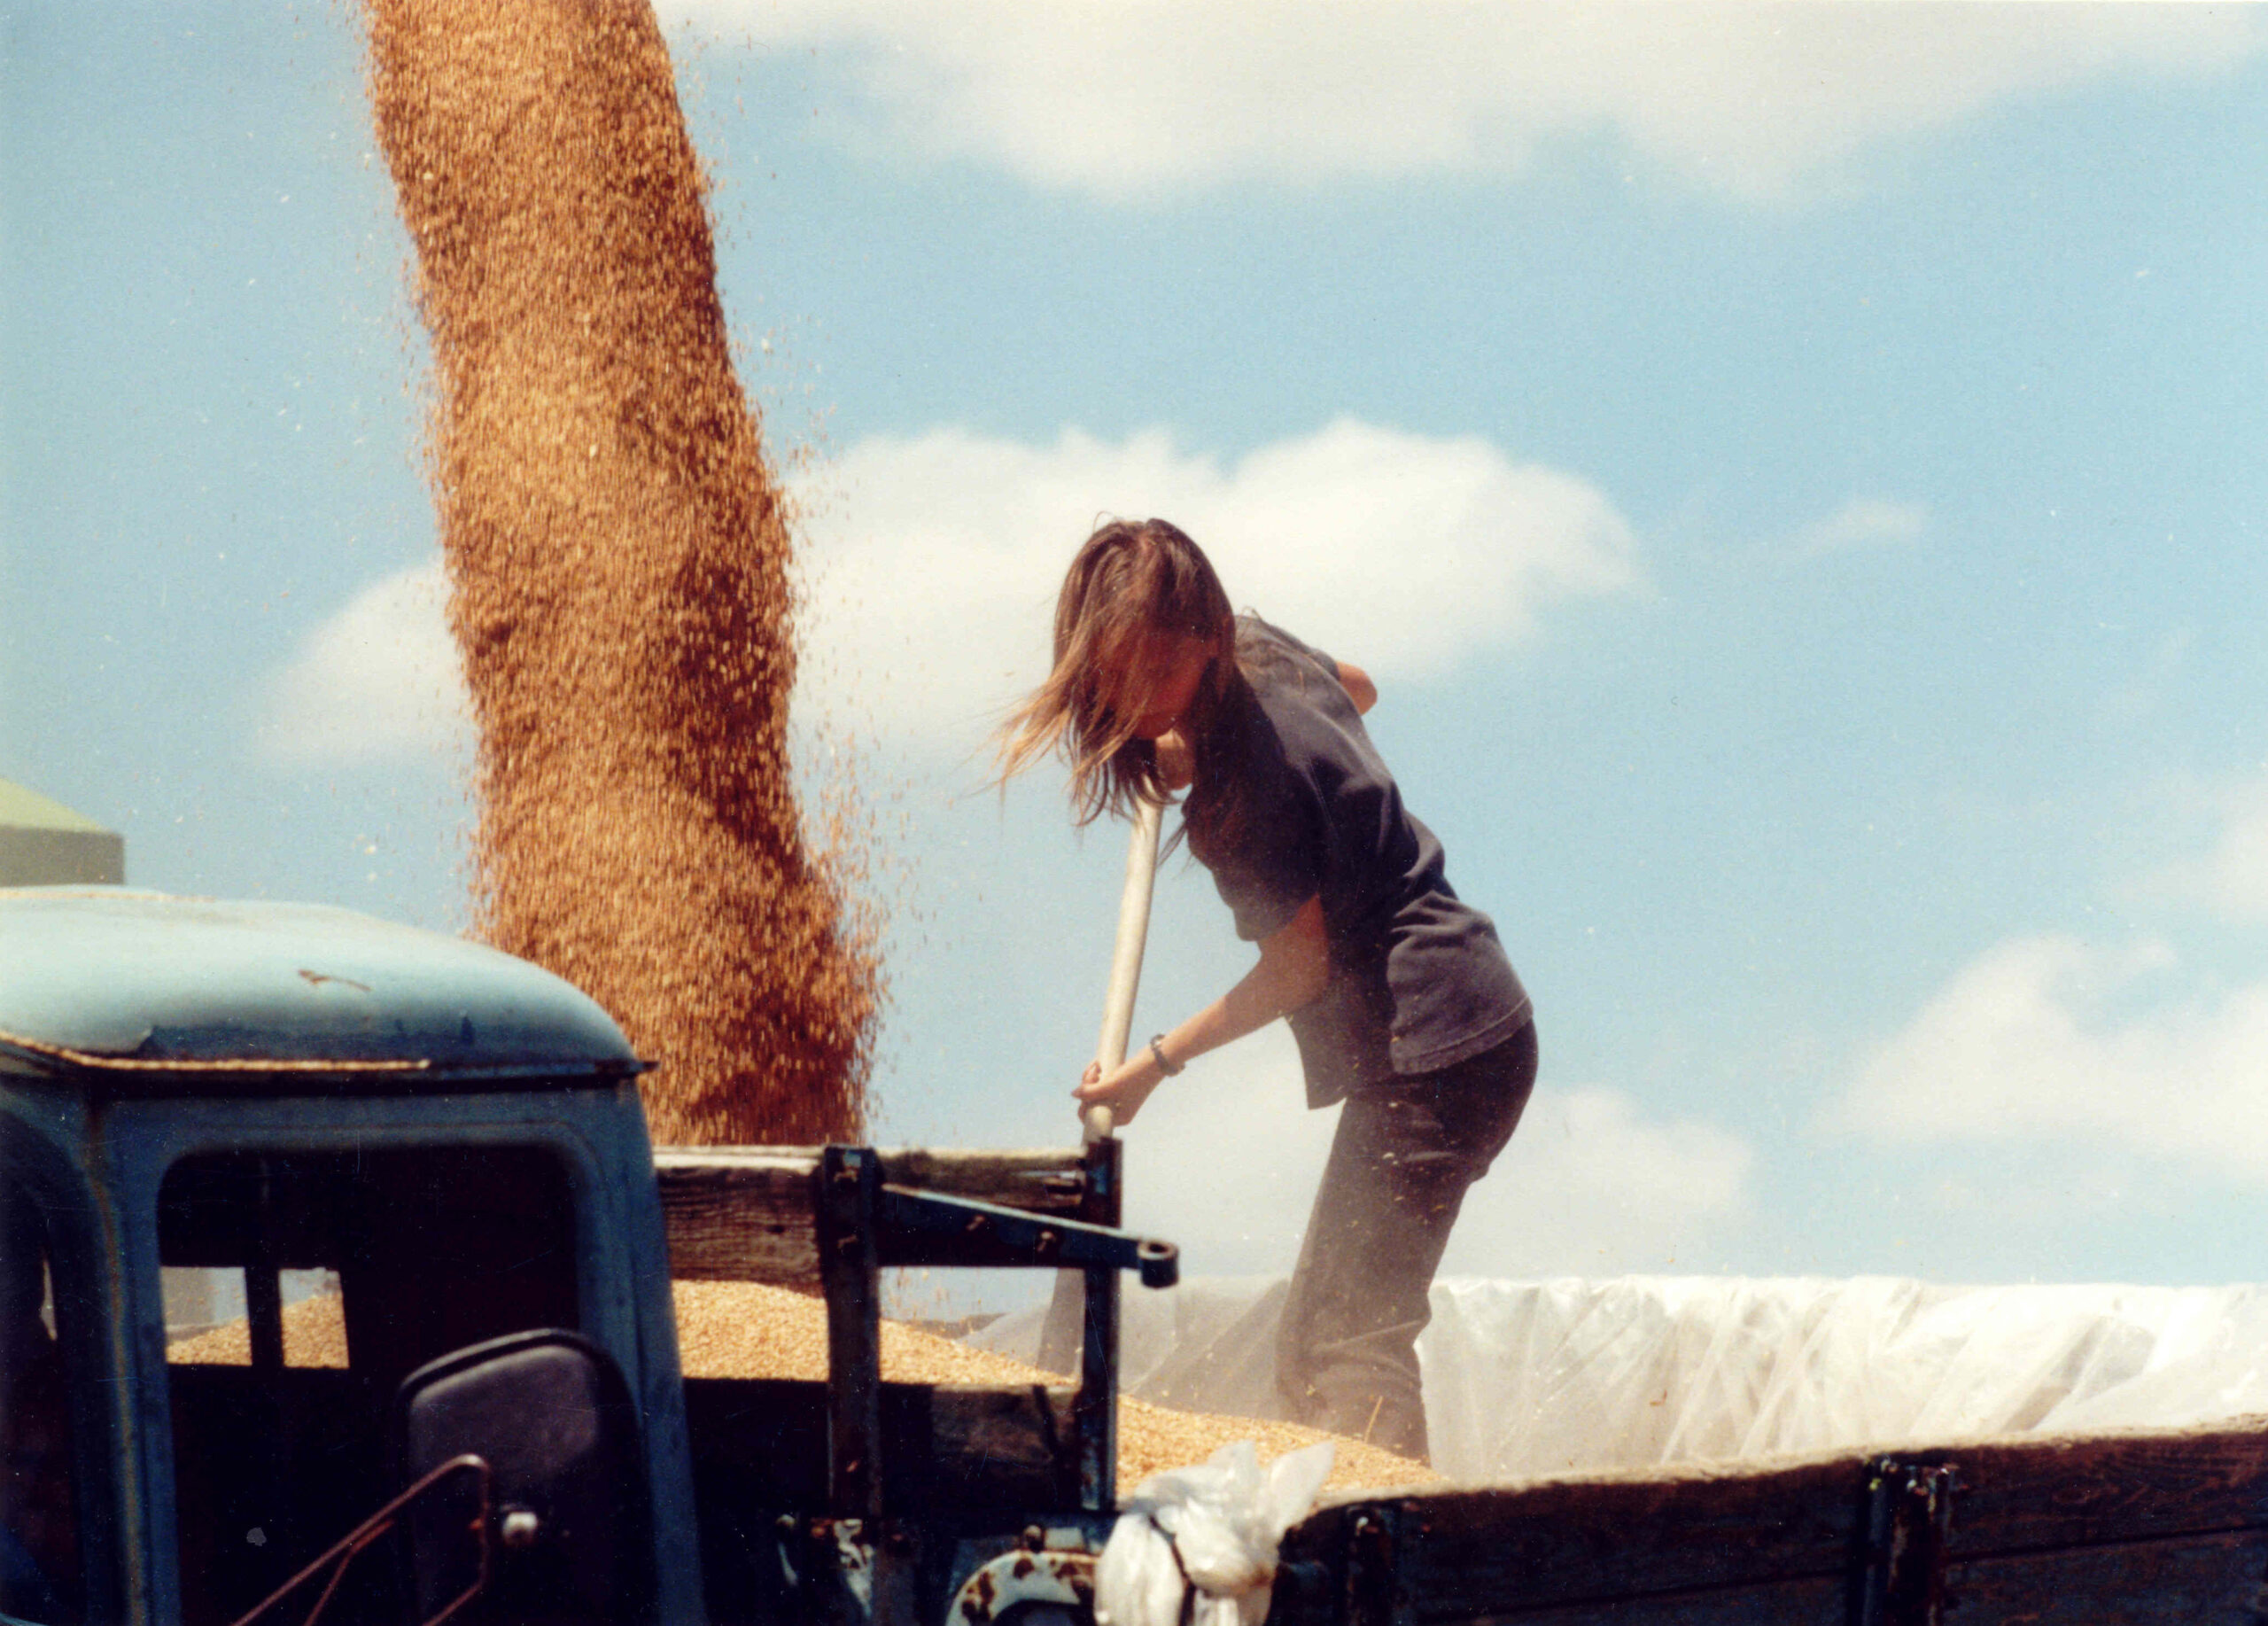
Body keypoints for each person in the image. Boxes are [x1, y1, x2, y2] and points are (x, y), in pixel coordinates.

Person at [997, 517, 1537, 1463]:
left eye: (1162, 669)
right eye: (1119, 674)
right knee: (1327, 1337)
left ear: (1209, 638)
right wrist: (1193, 730)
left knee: (1345, 1342)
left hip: (1438, 1047)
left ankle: (1392, 1543)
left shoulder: (1243, 801)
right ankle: (1377, 1521)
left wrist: (1152, 1066)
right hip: (1465, 1023)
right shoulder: (1259, 650)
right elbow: (1356, 688)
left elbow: (1299, 968)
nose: (1138, 698)